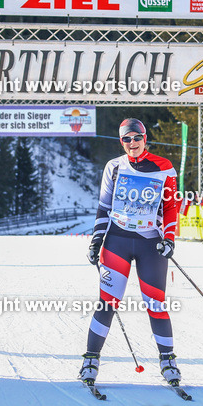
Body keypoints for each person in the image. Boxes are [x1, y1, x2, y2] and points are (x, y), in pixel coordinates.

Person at [81, 118, 182, 387]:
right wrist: (96, 241)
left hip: (150, 245)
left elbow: (171, 207)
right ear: (121, 141)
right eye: (127, 139)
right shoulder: (113, 167)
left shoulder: (164, 167)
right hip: (117, 242)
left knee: (156, 304)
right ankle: (91, 359)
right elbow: (104, 207)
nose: (132, 143)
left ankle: (168, 360)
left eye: (137, 138)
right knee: (107, 303)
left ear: (145, 138)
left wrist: (169, 239)